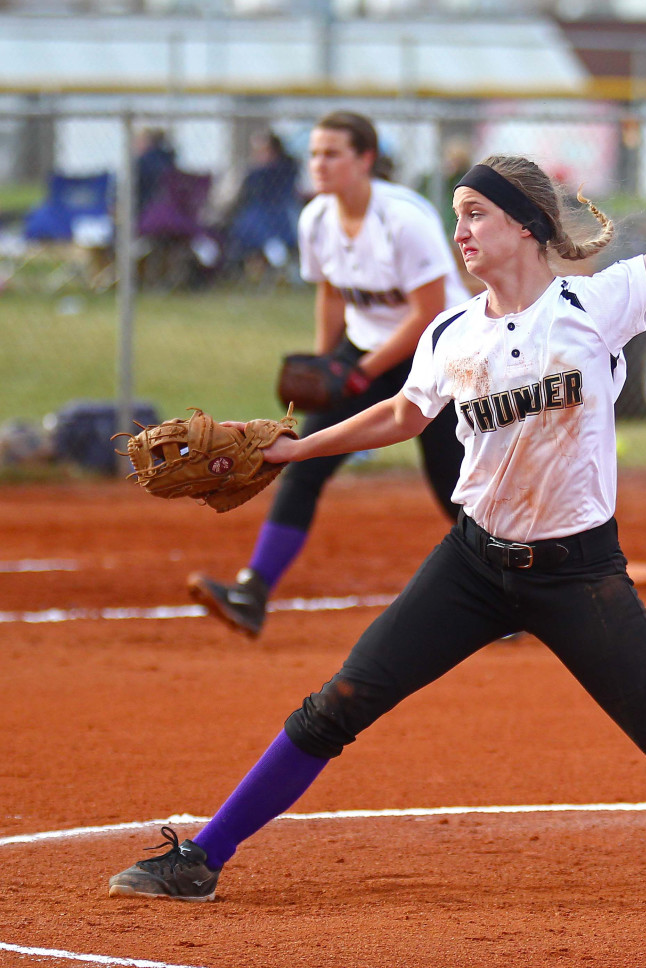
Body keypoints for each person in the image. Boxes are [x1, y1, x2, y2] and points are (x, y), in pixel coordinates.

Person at [109, 27, 646, 915]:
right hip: (473, 563)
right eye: (456, 215)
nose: (460, 229)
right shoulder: (453, 333)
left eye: (475, 212)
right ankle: (203, 856)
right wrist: (295, 447)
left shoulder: (597, 306)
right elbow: (405, 414)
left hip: (580, 575)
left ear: (524, 224)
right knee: (335, 706)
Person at [187, 111, 469, 638]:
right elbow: (332, 292)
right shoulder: (315, 218)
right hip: (363, 350)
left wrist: (358, 373)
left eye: (332, 153)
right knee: (304, 460)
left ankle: (512, 593)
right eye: (314, 154)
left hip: (440, 351)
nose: (318, 164)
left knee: (452, 480)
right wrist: (325, 364)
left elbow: (429, 311)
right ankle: (252, 591)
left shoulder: (403, 219)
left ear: (365, 159)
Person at [221, 130, 301, 275]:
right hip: (262, 214)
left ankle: (277, 256)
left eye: (262, 150)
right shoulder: (284, 169)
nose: (257, 155)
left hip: (273, 214)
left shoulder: (267, 172)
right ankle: (271, 258)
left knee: (256, 224)